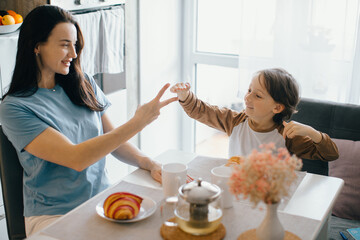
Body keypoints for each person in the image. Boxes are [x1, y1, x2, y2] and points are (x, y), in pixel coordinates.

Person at [0, 5, 177, 236]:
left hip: (101, 202)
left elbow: (112, 140)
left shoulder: (83, 84)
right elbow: (76, 158)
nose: (73, 54)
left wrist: (148, 162)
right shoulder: (15, 107)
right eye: (64, 45)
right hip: (53, 216)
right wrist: (138, 122)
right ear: (36, 46)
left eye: (75, 45)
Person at [170, 68, 339, 160]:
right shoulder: (234, 121)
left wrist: (312, 133)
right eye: (249, 90)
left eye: (257, 95)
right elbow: (200, 111)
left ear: (277, 108)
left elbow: (331, 154)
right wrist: (185, 96)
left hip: (268, 201)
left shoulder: (288, 135)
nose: (247, 97)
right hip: (236, 190)